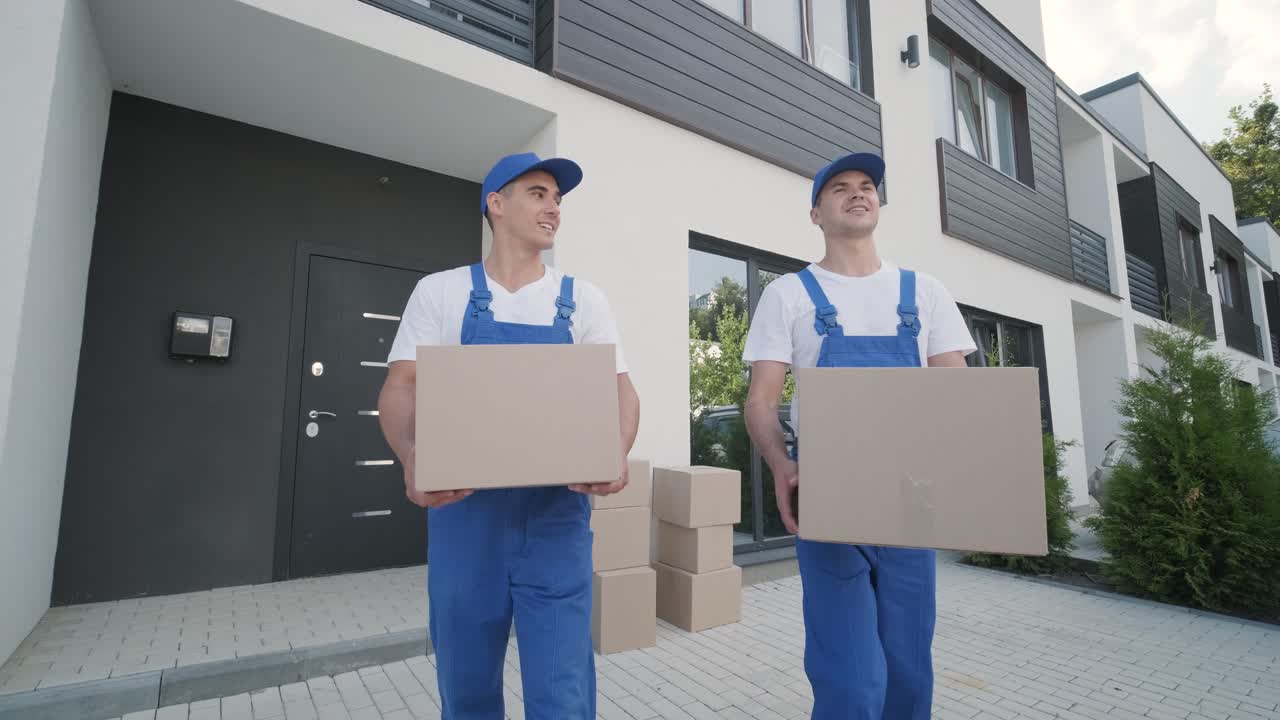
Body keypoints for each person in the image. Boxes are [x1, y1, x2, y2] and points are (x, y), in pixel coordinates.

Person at [377, 152, 640, 720]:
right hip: (464, 519)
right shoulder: (440, 293)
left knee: (563, 696)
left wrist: (616, 451)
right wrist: (411, 454)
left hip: (557, 523)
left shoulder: (583, 300)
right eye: (539, 194)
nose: (554, 208)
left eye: (558, 199)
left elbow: (621, 390)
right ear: (496, 203)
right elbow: (400, 387)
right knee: (467, 692)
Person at [741, 152, 976, 720]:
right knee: (850, 680)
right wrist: (781, 464)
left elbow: (960, 397)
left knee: (908, 672)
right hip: (830, 496)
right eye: (840, 187)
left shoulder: (925, 292)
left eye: (867, 185)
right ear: (816, 214)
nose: (857, 192)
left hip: (910, 498)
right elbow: (761, 400)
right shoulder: (789, 294)